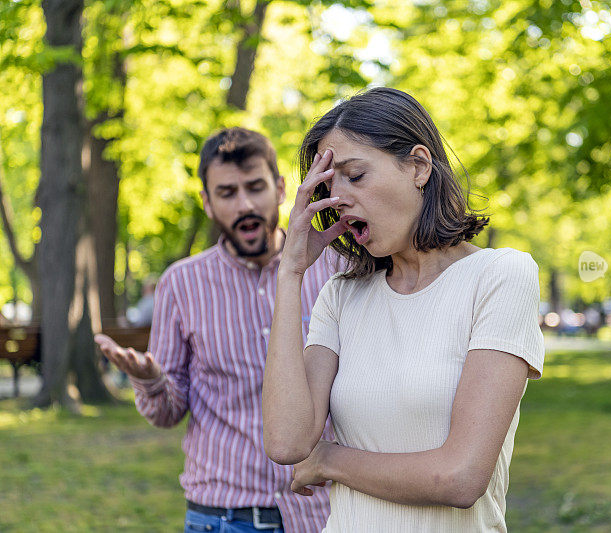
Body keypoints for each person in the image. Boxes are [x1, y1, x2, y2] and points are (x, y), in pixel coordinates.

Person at [262, 88, 545, 532]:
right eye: (328, 187)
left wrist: (331, 459)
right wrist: (290, 274)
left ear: (418, 166)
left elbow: (460, 478)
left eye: (355, 176)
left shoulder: (500, 276)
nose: (339, 199)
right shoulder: (340, 295)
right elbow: (287, 442)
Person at [95, 128, 338, 533]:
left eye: (256, 187)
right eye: (227, 193)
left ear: (279, 188)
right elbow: (167, 412)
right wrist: (151, 380)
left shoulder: (334, 268)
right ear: (207, 203)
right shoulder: (181, 284)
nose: (245, 204)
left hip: (325, 514)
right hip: (224, 518)